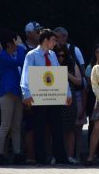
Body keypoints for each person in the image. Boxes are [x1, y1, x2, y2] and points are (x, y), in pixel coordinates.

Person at [20, 29, 72, 165]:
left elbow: (59, 75)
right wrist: (26, 93)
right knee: (39, 128)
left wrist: (68, 93)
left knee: (57, 127)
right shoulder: (31, 55)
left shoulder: (53, 54)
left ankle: (61, 157)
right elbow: (26, 75)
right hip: (38, 97)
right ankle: (40, 158)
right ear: (46, 40)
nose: (56, 43)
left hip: (54, 96)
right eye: (53, 40)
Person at [0, 30, 26, 164]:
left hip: (17, 93)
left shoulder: (11, 55)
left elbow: (22, 61)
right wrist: (20, 46)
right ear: (9, 43)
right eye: (15, 41)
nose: (16, 44)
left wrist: (19, 47)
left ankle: (17, 153)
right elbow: (19, 61)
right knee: (5, 124)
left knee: (16, 126)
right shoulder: (1, 56)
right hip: (7, 93)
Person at [54, 44, 82, 164]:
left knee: (70, 129)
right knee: (55, 129)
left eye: (62, 55)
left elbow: (79, 81)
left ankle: (70, 156)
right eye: (58, 55)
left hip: (69, 100)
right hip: (53, 99)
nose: (60, 58)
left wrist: (65, 73)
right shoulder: (51, 64)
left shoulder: (72, 64)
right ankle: (55, 156)